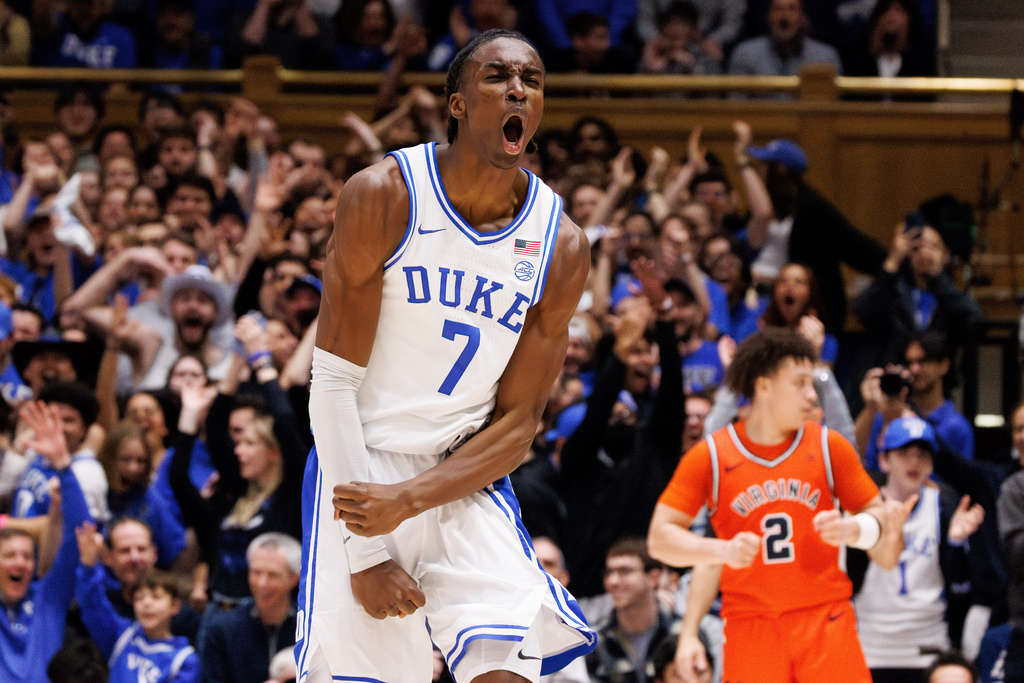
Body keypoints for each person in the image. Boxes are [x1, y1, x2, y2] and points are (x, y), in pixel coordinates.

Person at [298, 28, 595, 683]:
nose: (520, 87)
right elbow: (332, 383)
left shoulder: (561, 244)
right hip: (363, 464)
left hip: (463, 475)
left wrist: (415, 496)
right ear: (457, 103)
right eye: (498, 75)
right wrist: (369, 549)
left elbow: (519, 424)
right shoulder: (384, 195)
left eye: (534, 79)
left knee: (512, 668)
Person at [648, 328, 894, 683]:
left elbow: (881, 524)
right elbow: (660, 539)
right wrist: (723, 550)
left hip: (825, 621)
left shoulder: (830, 448)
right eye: (800, 383)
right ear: (763, 387)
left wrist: (859, 529)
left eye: (813, 383)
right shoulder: (712, 456)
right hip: (751, 628)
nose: (812, 395)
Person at [852, 417, 985, 682]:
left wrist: (957, 543)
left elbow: (964, 589)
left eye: (922, 454)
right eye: (904, 453)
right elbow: (850, 577)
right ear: (884, 460)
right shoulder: (863, 505)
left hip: (928, 649)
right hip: (869, 648)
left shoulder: (945, 506)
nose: (914, 462)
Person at [0, 400, 93, 683]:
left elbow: (81, 535)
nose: (20, 563)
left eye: (28, 556)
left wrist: (64, 466)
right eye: (9, 555)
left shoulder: (48, 599)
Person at [75, 521, 199, 683]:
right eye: (139, 598)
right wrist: (88, 568)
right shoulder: (121, 635)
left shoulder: (184, 660)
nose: (146, 604)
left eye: (156, 597)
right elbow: (92, 606)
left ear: (175, 606)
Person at [200, 533, 301, 683]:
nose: (262, 583)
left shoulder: (310, 629)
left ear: (294, 578)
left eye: (273, 575)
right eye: (256, 572)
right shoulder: (221, 630)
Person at [585, 537, 679, 683]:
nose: (612, 581)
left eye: (624, 571)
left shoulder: (682, 633)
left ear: (653, 578)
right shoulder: (594, 640)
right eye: (608, 573)